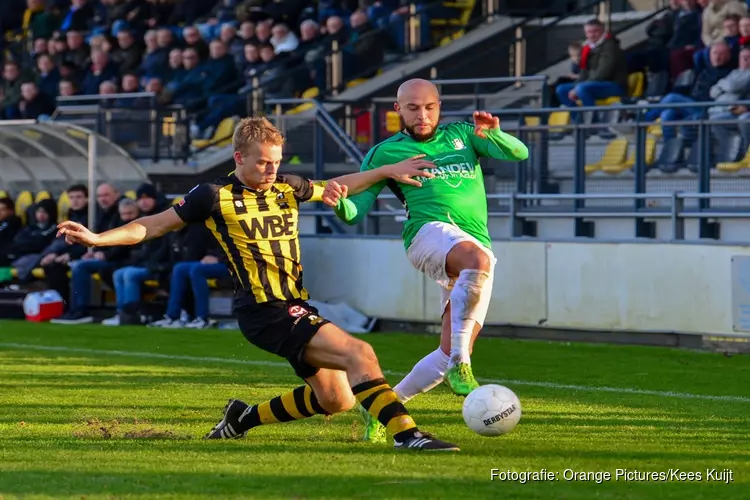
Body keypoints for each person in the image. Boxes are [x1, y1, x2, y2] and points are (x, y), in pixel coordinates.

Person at [57, 117, 458, 451]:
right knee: (361, 353)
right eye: (264, 163)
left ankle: (242, 417)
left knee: (336, 399)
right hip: (264, 310)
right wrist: (97, 238)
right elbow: (152, 225)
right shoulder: (211, 195)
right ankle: (408, 435)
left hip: (296, 306)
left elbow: (339, 186)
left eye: (277, 161)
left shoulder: (287, 186)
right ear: (239, 158)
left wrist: (385, 171)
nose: (272, 170)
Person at [328, 78, 529, 442]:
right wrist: (341, 203)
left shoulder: (465, 134)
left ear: (439, 106)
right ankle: (462, 366)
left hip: (473, 244)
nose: (422, 115)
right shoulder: (385, 152)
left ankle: (382, 409)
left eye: (429, 107)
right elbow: (356, 212)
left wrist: (497, 134)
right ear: (397, 110)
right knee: (477, 263)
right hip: (427, 235)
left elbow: (519, 154)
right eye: (413, 108)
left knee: (448, 349)